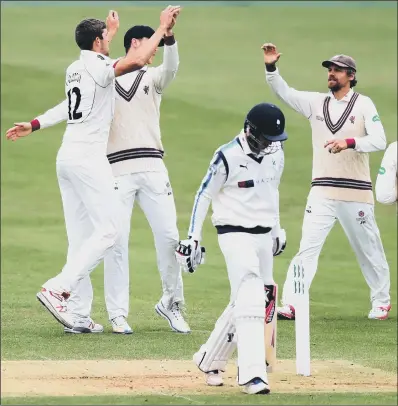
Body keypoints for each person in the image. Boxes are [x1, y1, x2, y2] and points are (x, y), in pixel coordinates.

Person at [5, 7, 180, 332]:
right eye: (106, 37)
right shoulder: (102, 68)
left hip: (66, 158)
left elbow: (67, 103)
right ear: (98, 42)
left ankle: (79, 314)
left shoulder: (76, 66)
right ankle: (58, 289)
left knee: (81, 237)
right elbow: (138, 61)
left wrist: (35, 124)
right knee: (109, 232)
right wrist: (161, 29)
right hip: (89, 161)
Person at [261, 44, 391, 320]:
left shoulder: (364, 104)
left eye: (337, 70)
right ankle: (294, 303)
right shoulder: (316, 103)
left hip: (356, 191)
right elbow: (284, 92)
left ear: (351, 76)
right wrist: (271, 68)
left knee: (369, 248)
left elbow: (379, 140)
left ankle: (381, 300)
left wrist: (349, 142)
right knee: (308, 246)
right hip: (322, 191)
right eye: (330, 70)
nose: (331, 74)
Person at [175, 103, 288, 395]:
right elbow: (204, 194)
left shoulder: (275, 154)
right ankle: (253, 376)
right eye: (265, 139)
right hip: (235, 233)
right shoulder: (227, 155)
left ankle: (209, 359)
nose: (269, 146)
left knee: (251, 301)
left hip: (264, 235)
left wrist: (277, 229)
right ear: (250, 131)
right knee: (250, 294)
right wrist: (193, 237)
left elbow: (271, 191)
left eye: (274, 141)